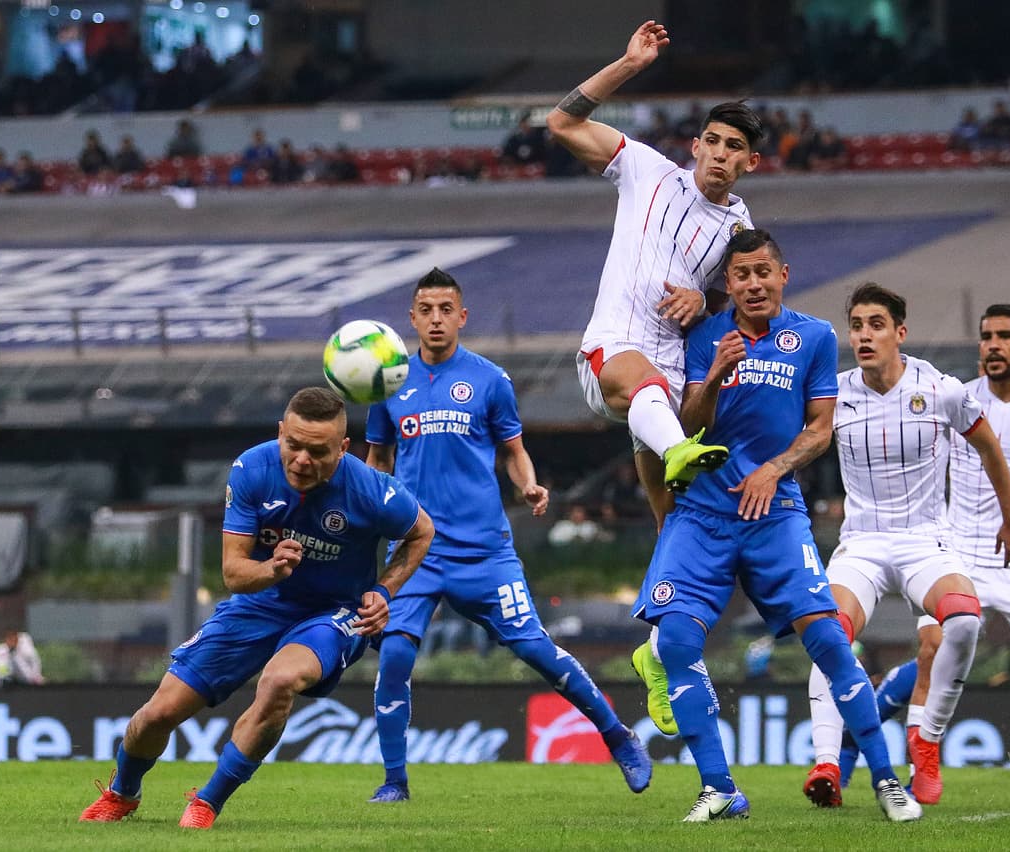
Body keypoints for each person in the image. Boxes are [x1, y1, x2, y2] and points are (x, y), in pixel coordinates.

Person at [630, 229, 920, 822]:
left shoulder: (813, 337)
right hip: (702, 513)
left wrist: (772, 469)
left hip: (775, 512)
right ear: (729, 283)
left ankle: (887, 781)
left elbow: (820, 428)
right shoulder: (705, 335)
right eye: (741, 275)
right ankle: (720, 789)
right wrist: (713, 374)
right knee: (679, 643)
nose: (753, 283)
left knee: (831, 641)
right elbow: (685, 425)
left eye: (764, 271)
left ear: (783, 274)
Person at [79, 387, 434, 829]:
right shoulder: (252, 469)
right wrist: (272, 570)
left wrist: (384, 590)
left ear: (343, 449)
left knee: (280, 679)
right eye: (294, 445)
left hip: (333, 612)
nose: (302, 460)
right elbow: (233, 572)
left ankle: (207, 802)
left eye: (318, 451)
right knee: (157, 715)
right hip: (259, 602)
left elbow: (422, 531)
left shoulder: (372, 490)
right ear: (280, 432)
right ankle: (122, 794)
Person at [363, 268, 652, 803]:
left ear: (462, 316)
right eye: (425, 309)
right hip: (413, 551)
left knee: (538, 650)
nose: (435, 319)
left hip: (483, 551)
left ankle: (618, 736)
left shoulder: (490, 380)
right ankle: (394, 782)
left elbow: (513, 451)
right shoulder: (388, 384)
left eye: (445, 309)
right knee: (396, 656)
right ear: (412, 318)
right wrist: (370, 508)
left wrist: (530, 486)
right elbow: (378, 461)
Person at [840, 305, 1010, 793]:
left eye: (1004, 337)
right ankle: (916, 770)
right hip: (958, 550)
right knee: (934, 648)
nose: (992, 345)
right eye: (985, 337)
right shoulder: (954, 395)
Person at [803, 283, 1010, 809]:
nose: (864, 335)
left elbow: (989, 445)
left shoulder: (942, 389)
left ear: (900, 333)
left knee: (966, 620)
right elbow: (794, 440)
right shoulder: (834, 394)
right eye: (856, 325)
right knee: (827, 635)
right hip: (861, 543)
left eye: (876, 325)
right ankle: (827, 763)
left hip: (926, 540)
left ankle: (925, 741)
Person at [546, 21, 763, 523]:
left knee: (672, 522)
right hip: (615, 351)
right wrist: (629, 66)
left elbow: (731, 299)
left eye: (734, 147)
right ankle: (678, 452)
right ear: (696, 146)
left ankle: (667, 594)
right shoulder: (646, 170)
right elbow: (561, 123)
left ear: (749, 162)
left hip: (673, 376)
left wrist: (704, 301)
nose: (720, 153)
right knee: (649, 397)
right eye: (713, 140)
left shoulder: (740, 229)